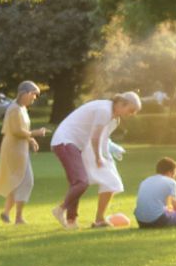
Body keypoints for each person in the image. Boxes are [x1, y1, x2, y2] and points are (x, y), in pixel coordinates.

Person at [50, 92, 141, 229]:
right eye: (131, 110)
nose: (132, 114)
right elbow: (95, 137)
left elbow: (103, 138)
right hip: (65, 142)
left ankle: (72, 221)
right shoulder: (105, 110)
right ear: (122, 104)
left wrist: (110, 150)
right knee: (81, 182)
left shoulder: (113, 118)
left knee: (78, 182)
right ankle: (60, 209)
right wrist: (98, 157)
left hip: (76, 145)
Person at [0, 81, 47, 224]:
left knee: (18, 182)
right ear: (25, 93)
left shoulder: (21, 108)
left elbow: (23, 130)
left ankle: (7, 213)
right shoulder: (14, 109)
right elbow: (16, 131)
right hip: (13, 149)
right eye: (33, 95)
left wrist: (30, 140)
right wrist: (36, 133)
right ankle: (17, 217)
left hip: (19, 148)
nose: (34, 99)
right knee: (24, 181)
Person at [134, 157, 176, 228]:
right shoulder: (171, 182)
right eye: (174, 173)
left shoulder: (146, 180)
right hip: (158, 221)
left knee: (167, 210)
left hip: (141, 222)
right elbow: (174, 202)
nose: (174, 176)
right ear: (170, 172)